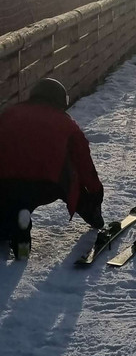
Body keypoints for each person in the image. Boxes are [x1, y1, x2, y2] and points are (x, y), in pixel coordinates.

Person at [0, 77, 104, 257]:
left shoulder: (8, 114)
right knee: (71, 174)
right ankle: (92, 214)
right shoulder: (66, 123)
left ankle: (14, 227)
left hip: (5, 182)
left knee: (11, 207)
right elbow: (84, 164)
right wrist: (96, 193)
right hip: (47, 185)